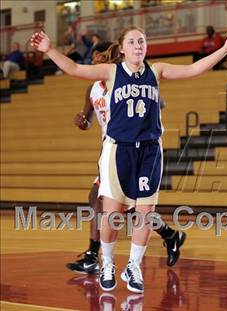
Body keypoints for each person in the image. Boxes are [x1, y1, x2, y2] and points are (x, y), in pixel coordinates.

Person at [31, 26, 227, 293]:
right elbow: (74, 68)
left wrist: (225, 49)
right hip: (119, 149)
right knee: (112, 214)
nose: (138, 45)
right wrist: (49, 49)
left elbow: (194, 69)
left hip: (151, 150)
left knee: (145, 212)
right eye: (132, 42)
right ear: (122, 49)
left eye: (141, 41)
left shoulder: (157, 71)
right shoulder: (111, 72)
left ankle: (134, 266)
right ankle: (107, 262)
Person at [66, 44, 186, 274]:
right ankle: (170, 235)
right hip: (111, 150)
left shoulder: (123, 79)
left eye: (98, 56)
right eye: (92, 58)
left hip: (132, 148)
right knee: (109, 202)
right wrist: (83, 122)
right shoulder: (92, 90)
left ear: (109, 57)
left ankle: (94, 255)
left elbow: (160, 103)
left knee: (113, 203)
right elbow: (89, 119)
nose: (94, 60)